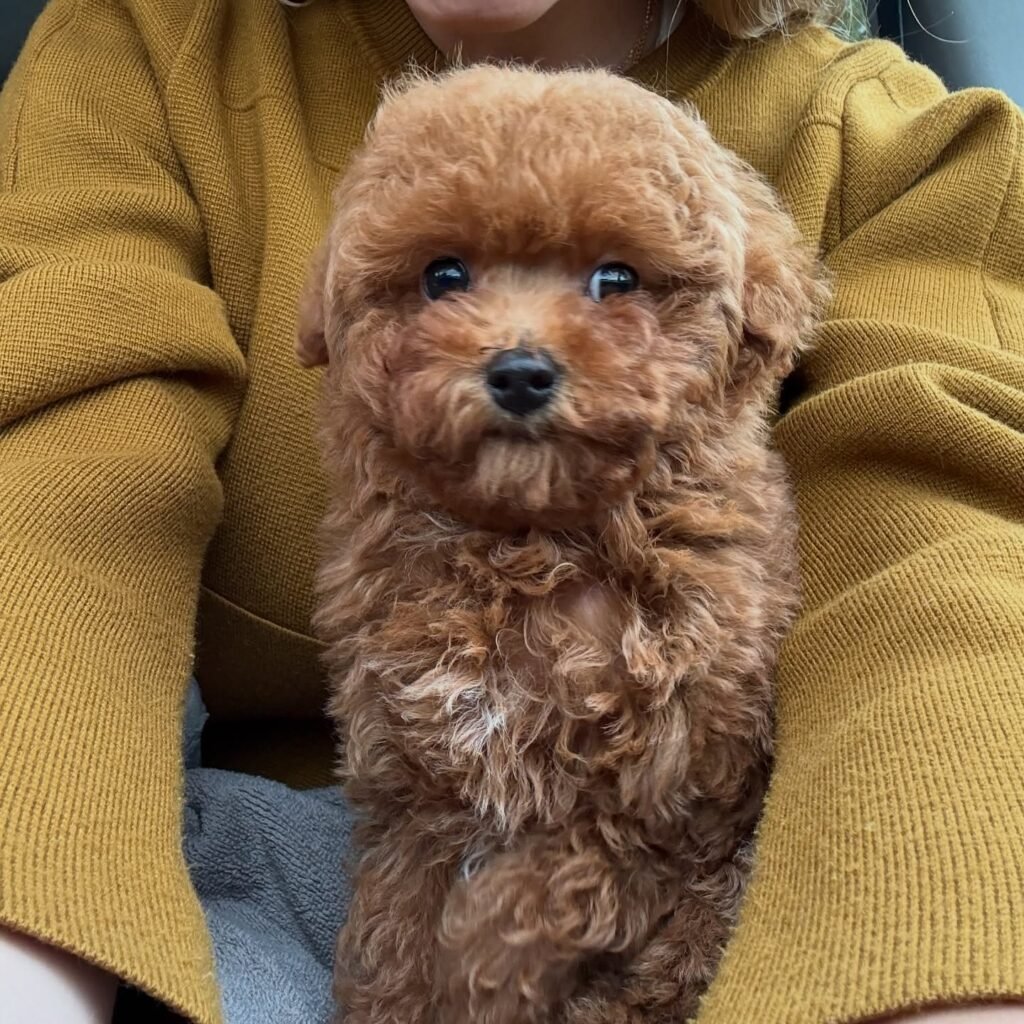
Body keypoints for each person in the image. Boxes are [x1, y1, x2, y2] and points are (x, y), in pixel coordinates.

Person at [1, 0, 1023, 1021]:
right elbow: (64, 500)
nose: (518, 350)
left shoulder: (895, 145)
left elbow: (940, 561)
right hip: (233, 860)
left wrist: (945, 965)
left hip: (758, 895)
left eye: (613, 280)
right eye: (447, 278)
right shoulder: (146, 49)